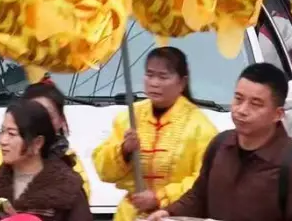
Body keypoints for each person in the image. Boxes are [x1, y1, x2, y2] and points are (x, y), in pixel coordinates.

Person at [146, 64, 292, 221]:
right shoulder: (220, 145)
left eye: (255, 104)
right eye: (238, 99)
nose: (242, 110)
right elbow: (200, 196)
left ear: (278, 114)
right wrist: (170, 214)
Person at [91, 46, 216, 221]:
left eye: (163, 77)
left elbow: (204, 181)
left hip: (174, 216)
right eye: (150, 75)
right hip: (130, 215)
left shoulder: (201, 127)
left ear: (182, 82)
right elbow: (104, 172)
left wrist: (161, 197)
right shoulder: (128, 117)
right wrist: (124, 151)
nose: (154, 83)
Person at [0, 98, 91, 221]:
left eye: (12, 134)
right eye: (2, 131)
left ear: (37, 143)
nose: (3, 141)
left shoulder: (67, 190)